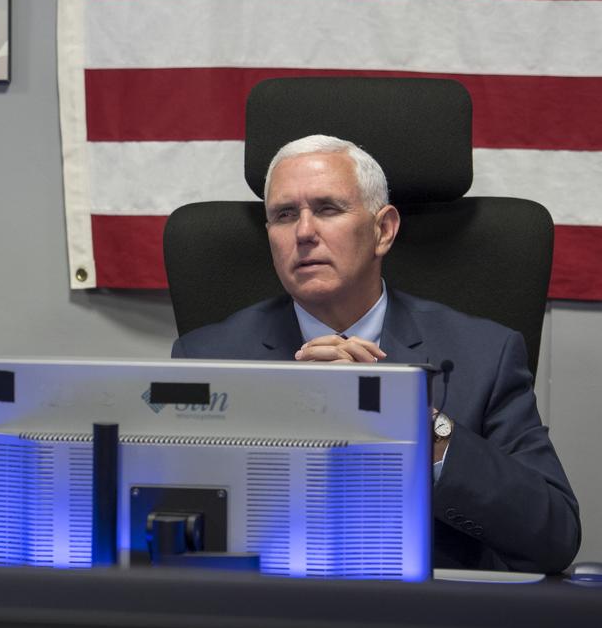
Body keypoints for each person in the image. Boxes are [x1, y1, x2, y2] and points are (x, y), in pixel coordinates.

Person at [170, 134, 580, 573]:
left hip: (424, 620)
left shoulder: (484, 354)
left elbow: (554, 539)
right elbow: (172, 539)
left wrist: (421, 425)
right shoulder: (207, 358)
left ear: (382, 230)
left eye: (327, 209)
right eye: (284, 215)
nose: (304, 232)